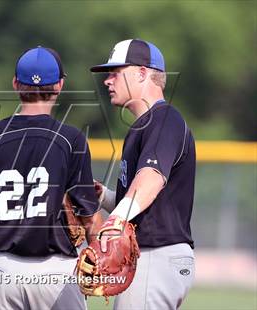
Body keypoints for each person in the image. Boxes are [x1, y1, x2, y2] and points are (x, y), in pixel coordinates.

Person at [0, 46, 102, 310]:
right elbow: (90, 217)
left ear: (15, 84)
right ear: (59, 85)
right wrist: (100, 258)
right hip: (58, 273)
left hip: (4, 272)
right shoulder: (71, 139)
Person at [91, 39, 196, 309]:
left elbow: (150, 179)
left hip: (156, 256)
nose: (108, 80)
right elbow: (141, 205)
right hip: (151, 256)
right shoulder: (142, 127)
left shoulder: (163, 118)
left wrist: (113, 222)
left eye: (115, 72)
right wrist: (105, 197)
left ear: (141, 73)